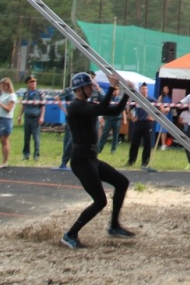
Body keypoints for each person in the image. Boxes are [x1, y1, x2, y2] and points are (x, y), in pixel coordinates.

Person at [60, 72, 134, 248]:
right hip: (81, 159)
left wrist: (127, 94)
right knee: (100, 201)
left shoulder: (87, 104)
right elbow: (100, 108)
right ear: (79, 89)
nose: (92, 88)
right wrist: (113, 87)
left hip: (90, 157)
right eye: (89, 86)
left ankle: (114, 226)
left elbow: (114, 110)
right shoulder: (76, 106)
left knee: (122, 182)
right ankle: (70, 235)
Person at [126, 83, 155, 169]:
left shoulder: (152, 99)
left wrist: (153, 118)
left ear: (147, 90)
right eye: (142, 89)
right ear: (140, 90)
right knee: (135, 142)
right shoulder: (136, 99)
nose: (144, 90)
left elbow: (161, 108)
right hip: (138, 123)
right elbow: (128, 109)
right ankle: (131, 160)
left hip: (147, 123)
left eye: (145, 89)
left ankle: (144, 162)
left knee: (147, 143)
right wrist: (132, 118)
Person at [17, 75, 45, 161]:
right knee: (26, 137)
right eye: (31, 82)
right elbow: (24, 105)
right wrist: (19, 116)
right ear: (28, 84)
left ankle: (36, 154)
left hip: (36, 117)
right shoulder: (26, 93)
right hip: (27, 117)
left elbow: (43, 106)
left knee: (36, 137)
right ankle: (26, 154)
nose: (33, 83)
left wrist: (42, 117)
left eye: (34, 82)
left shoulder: (40, 93)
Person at [0, 77, 17, 169]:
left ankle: (5, 161)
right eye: (1, 85)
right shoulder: (4, 94)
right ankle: (3, 160)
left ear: (8, 86)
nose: (2, 87)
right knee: (2, 140)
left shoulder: (12, 95)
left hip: (6, 119)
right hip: (0, 117)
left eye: (4, 85)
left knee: (5, 140)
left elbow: (8, 109)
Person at [98, 86, 124, 154]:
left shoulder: (120, 99)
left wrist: (124, 119)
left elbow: (123, 109)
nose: (115, 91)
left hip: (117, 119)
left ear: (118, 91)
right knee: (104, 134)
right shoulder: (109, 98)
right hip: (109, 119)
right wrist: (103, 117)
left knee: (116, 136)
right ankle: (99, 148)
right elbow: (105, 107)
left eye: (116, 90)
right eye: (114, 90)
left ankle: (113, 150)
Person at [154, 85, 173, 150]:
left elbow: (171, 105)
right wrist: (163, 109)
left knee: (165, 130)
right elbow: (158, 105)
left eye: (167, 89)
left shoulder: (169, 97)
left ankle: (164, 143)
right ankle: (162, 144)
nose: (165, 90)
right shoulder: (161, 97)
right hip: (162, 114)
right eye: (164, 89)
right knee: (162, 129)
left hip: (168, 114)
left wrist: (168, 108)